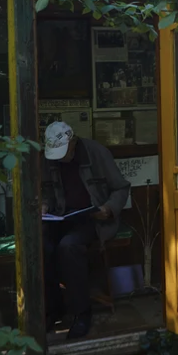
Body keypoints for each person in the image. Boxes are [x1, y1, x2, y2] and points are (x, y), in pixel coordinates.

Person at [40, 121, 130, 339]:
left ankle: (82, 312)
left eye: (64, 153)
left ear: (73, 142)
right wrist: (44, 205)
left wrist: (108, 209)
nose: (61, 159)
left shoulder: (96, 152)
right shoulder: (49, 159)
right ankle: (54, 308)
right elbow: (45, 189)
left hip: (93, 218)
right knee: (42, 247)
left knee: (68, 247)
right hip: (61, 216)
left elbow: (121, 187)